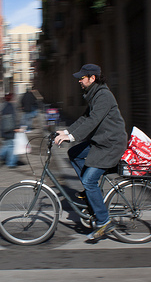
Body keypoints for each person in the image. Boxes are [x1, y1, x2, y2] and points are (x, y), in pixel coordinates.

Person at [54, 64, 127, 241]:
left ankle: (104, 221)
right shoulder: (95, 94)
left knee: (88, 180)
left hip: (111, 144)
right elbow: (85, 118)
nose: (79, 80)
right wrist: (66, 132)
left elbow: (93, 121)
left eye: (82, 77)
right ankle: (91, 193)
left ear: (92, 78)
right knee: (74, 154)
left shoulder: (104, 96)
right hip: (102, 141)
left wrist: (71, 137)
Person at [0, 93, 20, 168]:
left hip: (3, 130)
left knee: (8, 145)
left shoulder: (4, 106)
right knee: (11, 147)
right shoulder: (11, 107)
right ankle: (10, 162)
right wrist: (16, 128)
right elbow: (12, 119)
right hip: (9, 130)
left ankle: (1, 155)